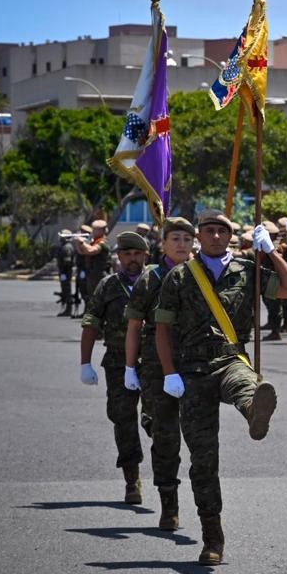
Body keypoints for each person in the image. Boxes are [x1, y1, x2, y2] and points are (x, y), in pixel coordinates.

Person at [153, 210, 287, 565]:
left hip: (230, 357)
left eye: (223, 231)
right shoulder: (179, 277)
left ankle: (254, 410)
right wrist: (169, 372)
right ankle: (212, 537)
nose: (216, 236)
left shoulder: (247, 271)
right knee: (203, 461)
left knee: (247, 384)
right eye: (210, 231)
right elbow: (162, 329)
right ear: (199, 237)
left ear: (231, 236)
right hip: (191, 371)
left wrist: (271, 252)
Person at [122, 217, 195, 530]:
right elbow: (135, 325)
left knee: (198, 435)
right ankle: (169, 504)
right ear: (162, 244)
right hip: (155, 365)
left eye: (186, 239)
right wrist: (129, 366)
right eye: (175, 238)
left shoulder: (203, 274)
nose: (181, 244)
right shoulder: (150, 279)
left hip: (195, 361)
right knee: (165, 437)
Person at [79, 232, 150, 504]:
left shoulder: (158, 282)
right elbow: (91, 323)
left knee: (156, 417)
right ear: (118, 257)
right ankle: (132, 479)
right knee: (122, 417)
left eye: (137, 254)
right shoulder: (108, 286)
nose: (132, 259)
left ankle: (151, 422)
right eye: (127, 254)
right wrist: (85, 363)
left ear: (146, 256)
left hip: (153, 360)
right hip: (118, 362)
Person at [75, 219, 113, 297]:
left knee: (99, 297)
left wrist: (82, 242)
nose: (93, 231)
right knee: (91, 297)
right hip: (92, 273)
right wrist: (78, 244)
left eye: (95, 230)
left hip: (99, 274)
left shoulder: (103, 242)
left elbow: (91, 250)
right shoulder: (94, 241)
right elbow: (82, 252)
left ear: (101, 231)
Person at [55, 230, 76, 317]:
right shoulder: (64, 246)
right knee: (65, 290)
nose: (60, 238)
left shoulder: (67, 247)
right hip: (64, 272)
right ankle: (67, 309)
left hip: (66, 272)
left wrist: (63, 271)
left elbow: (67, 261)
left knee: (67, 290)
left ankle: (69, 309)